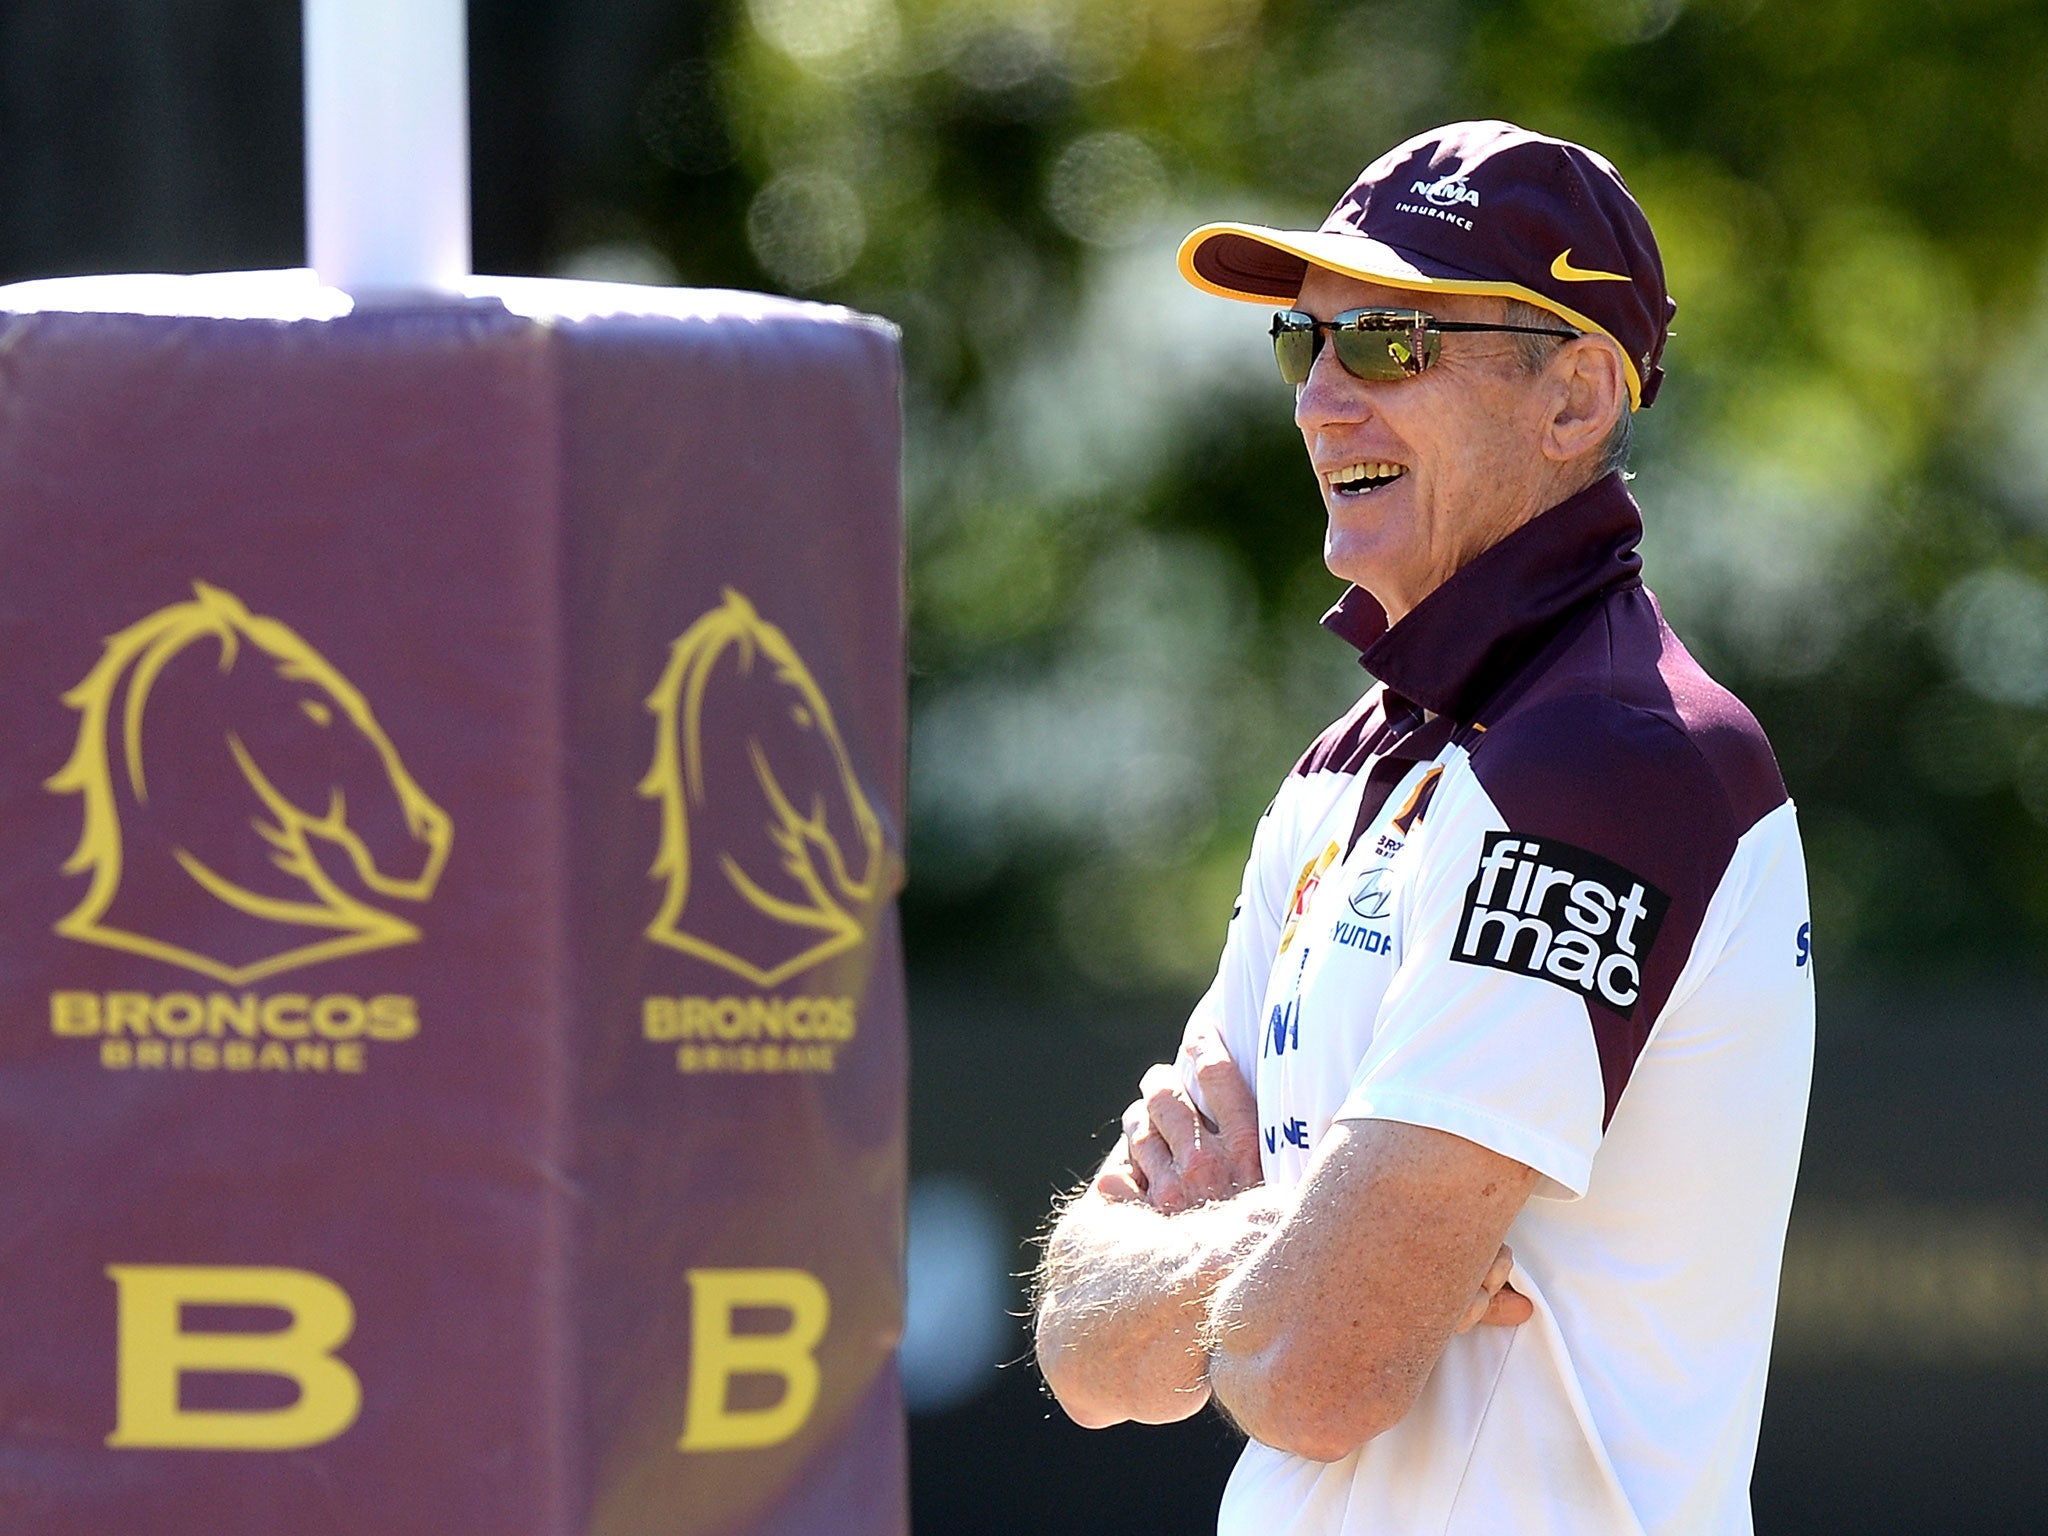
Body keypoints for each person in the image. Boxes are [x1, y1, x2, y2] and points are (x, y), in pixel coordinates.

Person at [1031, 120, 1815, 1536]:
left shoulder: (1617, 754)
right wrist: (1289, 1239)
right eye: (1303, 345)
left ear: (1576, 395)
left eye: (1388, 343)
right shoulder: (1347, 766)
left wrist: (1267, 1273)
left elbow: (1320, 1372)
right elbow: (1083, 1352)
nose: (1320, 403)